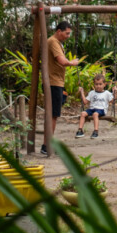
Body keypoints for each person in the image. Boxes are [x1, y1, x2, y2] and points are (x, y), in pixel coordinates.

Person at [43, 20, 83, 155]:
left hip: (56, 82)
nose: (68, 36)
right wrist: (72, 63)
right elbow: (61, 61)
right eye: (67, 33)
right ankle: (47, 145)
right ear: (59, 31)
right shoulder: (53, 42)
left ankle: (47, 144)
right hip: (53, 82)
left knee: (53, 114)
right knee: (53, 115)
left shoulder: (56, 42)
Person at [76, 74, 114, 138]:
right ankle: (80, 130)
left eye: (100, 84)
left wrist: (115, 92)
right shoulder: (92, 93)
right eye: (96, 84)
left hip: (101, 110)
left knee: (95, 114)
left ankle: (96, 132)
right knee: (83, 113)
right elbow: (85, 102)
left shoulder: (107, 93)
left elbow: (112, 101)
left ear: (104, 84)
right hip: (92, 109)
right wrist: (82, 92)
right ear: (94, 84)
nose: (98, 86)